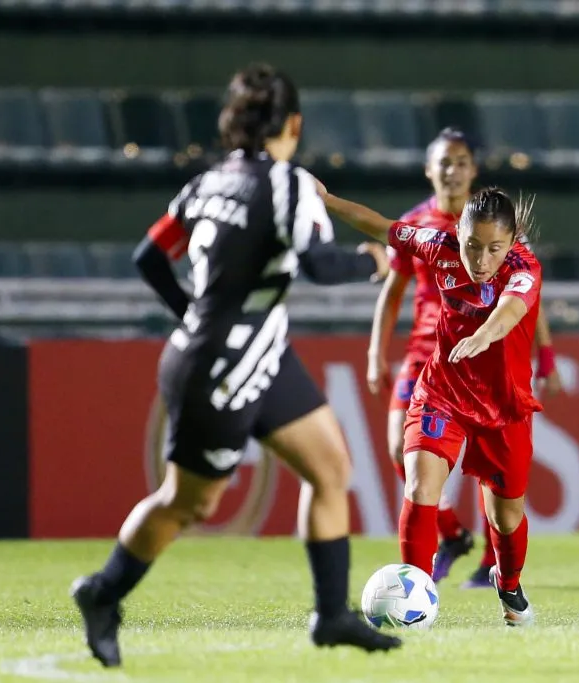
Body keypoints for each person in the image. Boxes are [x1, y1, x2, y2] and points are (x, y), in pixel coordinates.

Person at [69, 62, 402, 668]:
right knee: (188, 503)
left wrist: (193, 319)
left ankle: (331, 615)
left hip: (253, 356)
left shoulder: (206, 185)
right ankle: (103, 591)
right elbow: (320, 267)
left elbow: (150, 256)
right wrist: (373, 261)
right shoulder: (290, 185)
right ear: (294, 124)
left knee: (331, 469)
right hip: (223, 372)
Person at [321, 181, 542, 627]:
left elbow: (512, 311)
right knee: (420, 487)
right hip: (443, 392)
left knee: (505, 517)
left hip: (502, 407)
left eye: (494, 248)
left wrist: (481, 336)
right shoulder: (436, 246)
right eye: (472, 246)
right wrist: (324, 200)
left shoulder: (524, 266)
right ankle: (415, 594)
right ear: (457, 232)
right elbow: (380, 226)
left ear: (512, 241)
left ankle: (509, 583)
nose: (481, 261)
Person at [367, 128, 562, 589]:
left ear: (474, 170)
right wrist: (377, 351)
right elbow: (393, 292)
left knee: (492, 474)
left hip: (487, 355)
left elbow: (528, 301)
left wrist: (546, 355)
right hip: (429, 352)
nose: (452, 171)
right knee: (402, 448)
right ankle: (451, 534)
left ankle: (491, 565)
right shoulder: (420, 225)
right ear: (428, 169)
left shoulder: (497, 229)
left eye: (461, 162)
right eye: (444, 162)